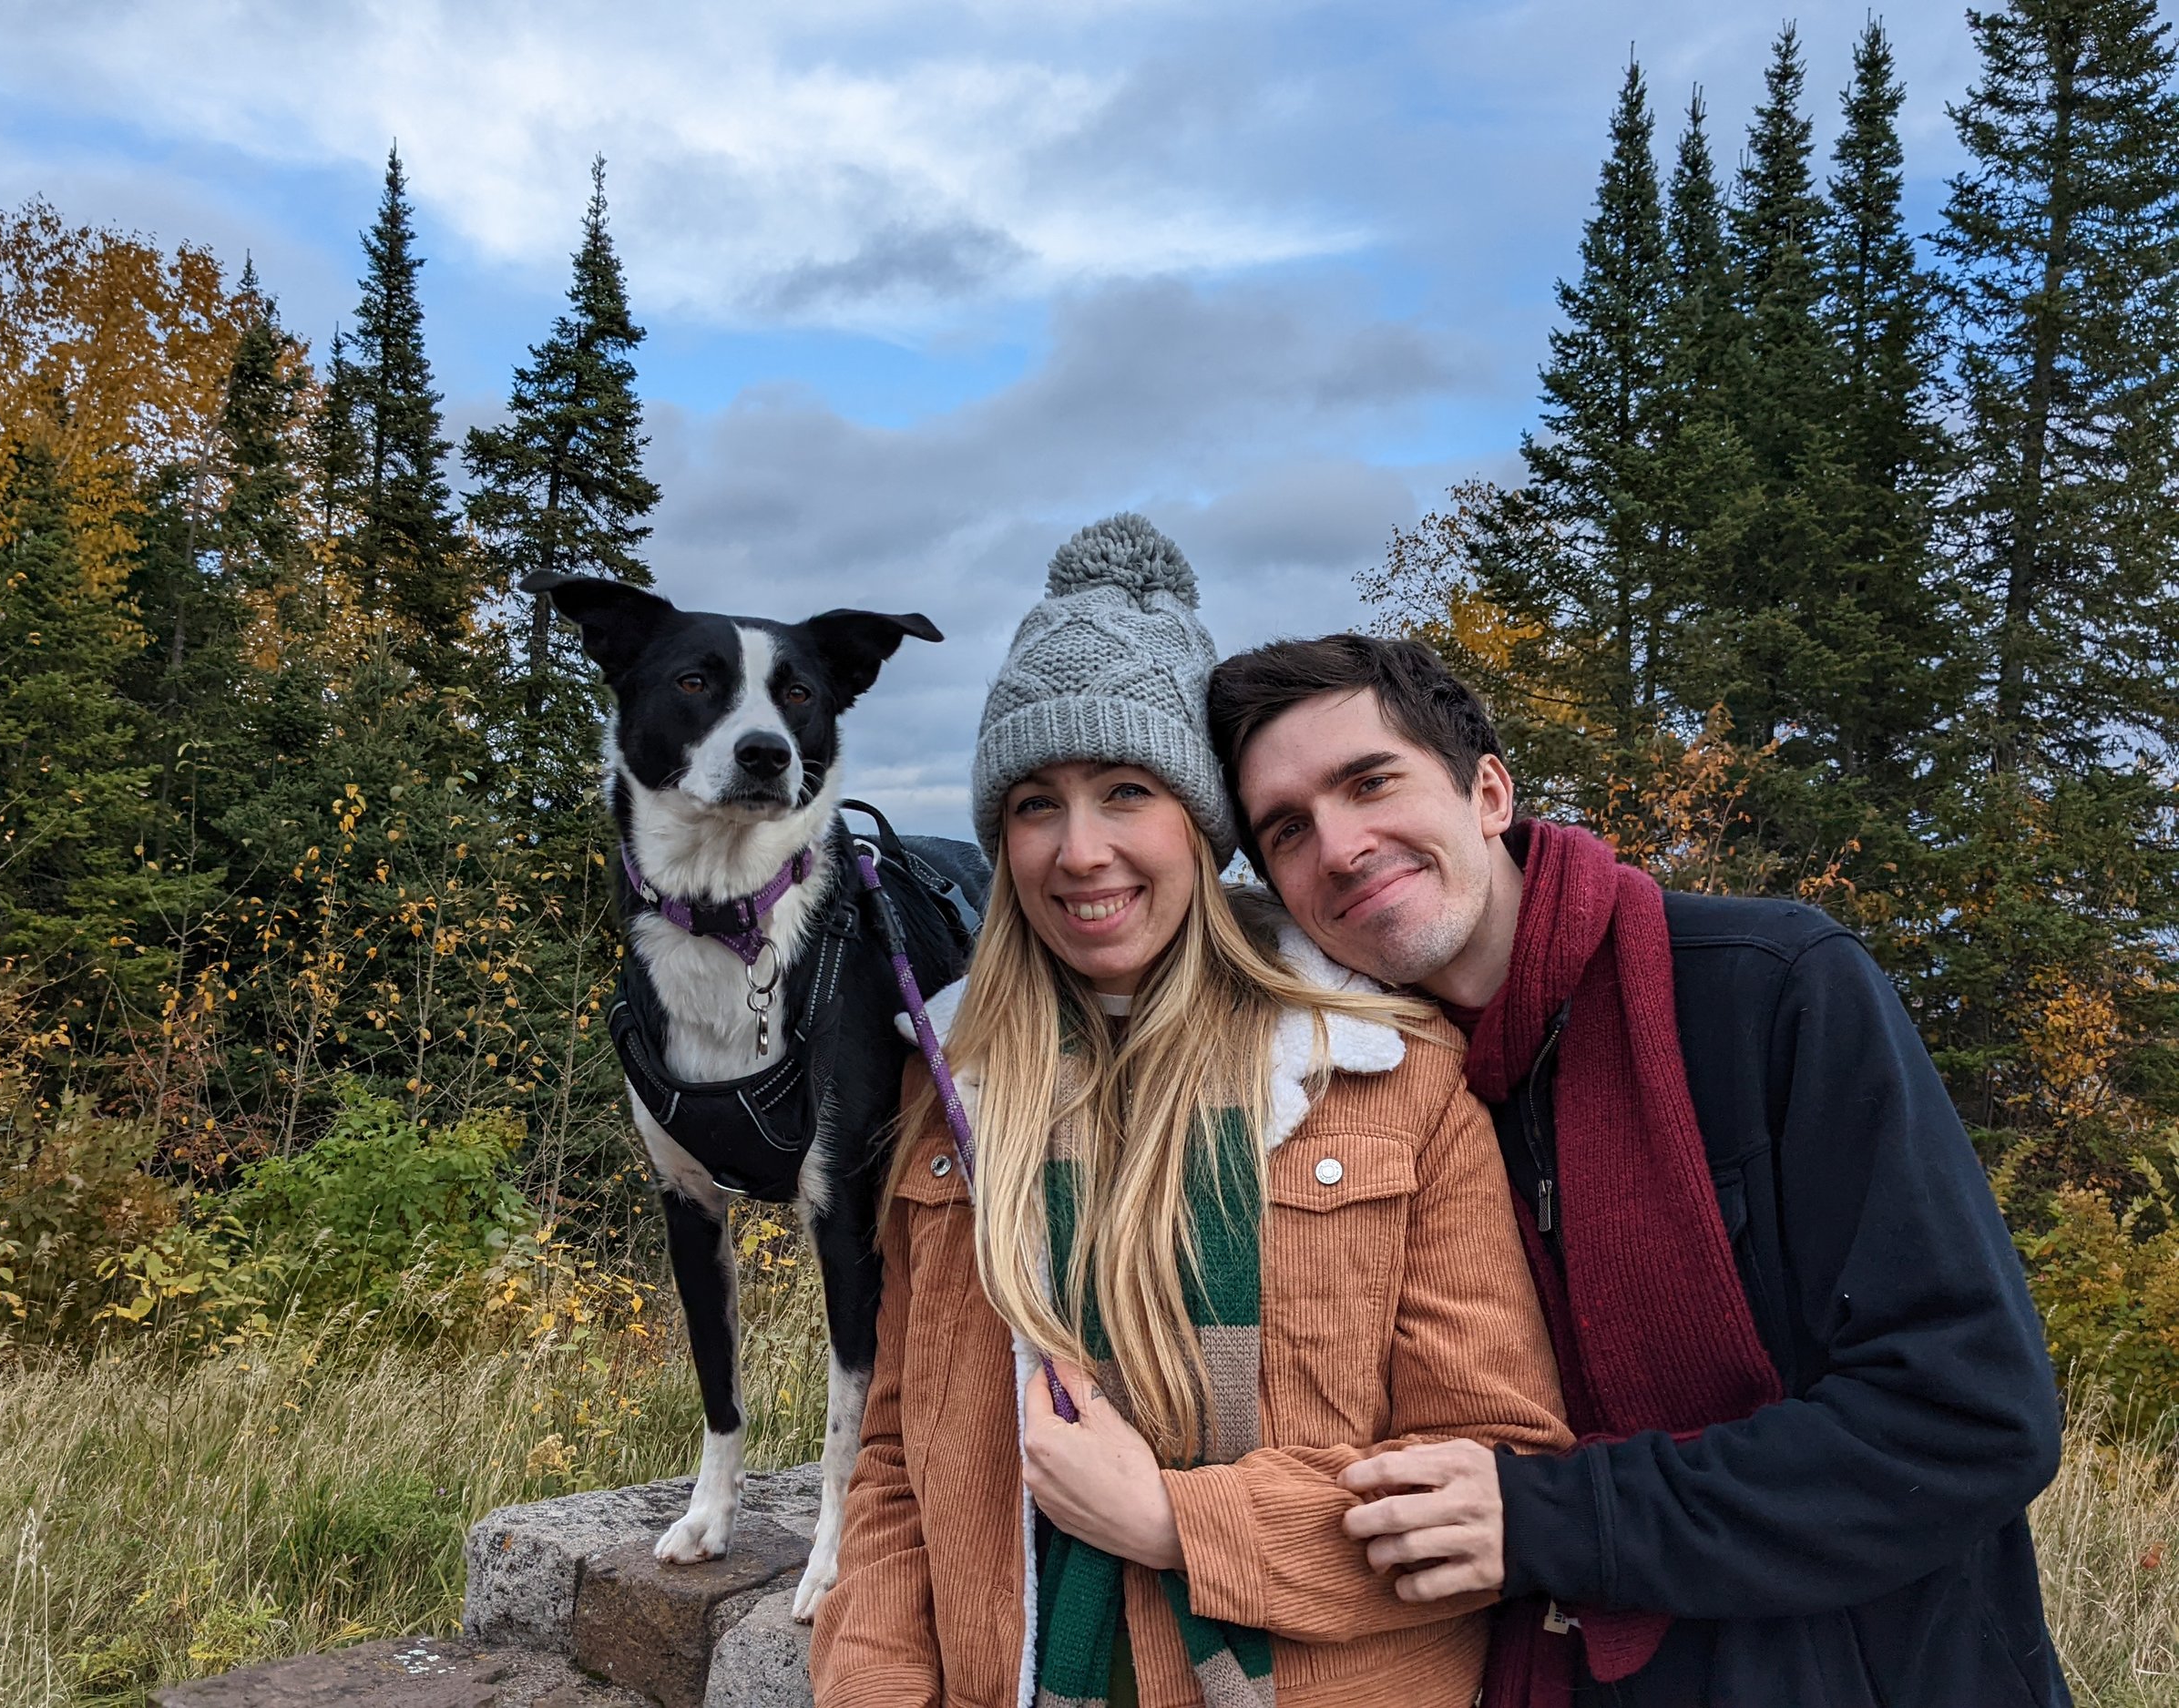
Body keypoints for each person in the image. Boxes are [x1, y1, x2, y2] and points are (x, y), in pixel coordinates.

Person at [1205, 632, 2071, 1708]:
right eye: (1287, 830)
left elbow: (1970, 1415)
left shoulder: (1770, 994)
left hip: (1868, 1673)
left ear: (1486, 792)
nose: (1337, 846)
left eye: (1369, 781)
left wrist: (1555, 1520)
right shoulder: (1358, 1096)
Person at [810, 517, 1570, 1708]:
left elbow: (1491, 1470)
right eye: (1034, 803)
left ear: (1203, 822)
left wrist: (1180, 1522)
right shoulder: (956, 1087)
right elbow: (905, 1470)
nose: (1081, 850)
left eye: (1127, 790)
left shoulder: (1376, 1067)